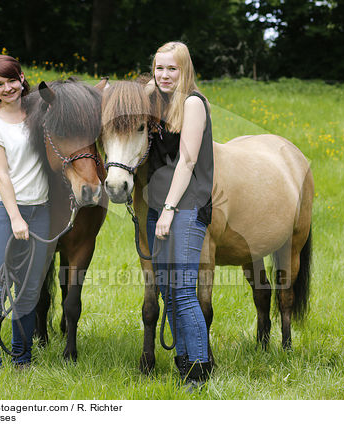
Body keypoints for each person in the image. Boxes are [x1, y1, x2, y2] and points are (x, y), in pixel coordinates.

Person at [146, 41, 214, 388]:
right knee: (168, 290)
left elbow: (187, 160)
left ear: (184, 69)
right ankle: (184, 363)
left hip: (185, 206)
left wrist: (169, 210)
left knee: (184, 290)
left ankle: (199, 371)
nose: (164, 74)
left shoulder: (192, 103)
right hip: (157, 207)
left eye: (172, 68)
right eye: (159, 68)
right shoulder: (156, 101)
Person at [0, 55, 50, 366]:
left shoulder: (40, 115)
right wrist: (17, 218)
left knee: (30, 287)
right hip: (4, 211)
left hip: (41, 210)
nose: (7, 88)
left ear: (22, 77)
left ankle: (22, 359)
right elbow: (2, 175)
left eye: (11, 80)